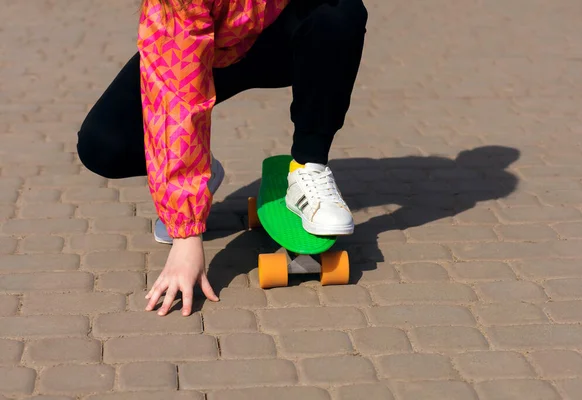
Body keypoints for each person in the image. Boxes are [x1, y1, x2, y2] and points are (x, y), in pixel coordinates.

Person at [76, 0, 368, 316]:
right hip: (208, 48)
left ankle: (307, 167)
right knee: (102, 145)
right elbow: (177, 101)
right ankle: (201, 172)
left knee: (341, 11)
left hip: (285, 39)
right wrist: (186, 234)